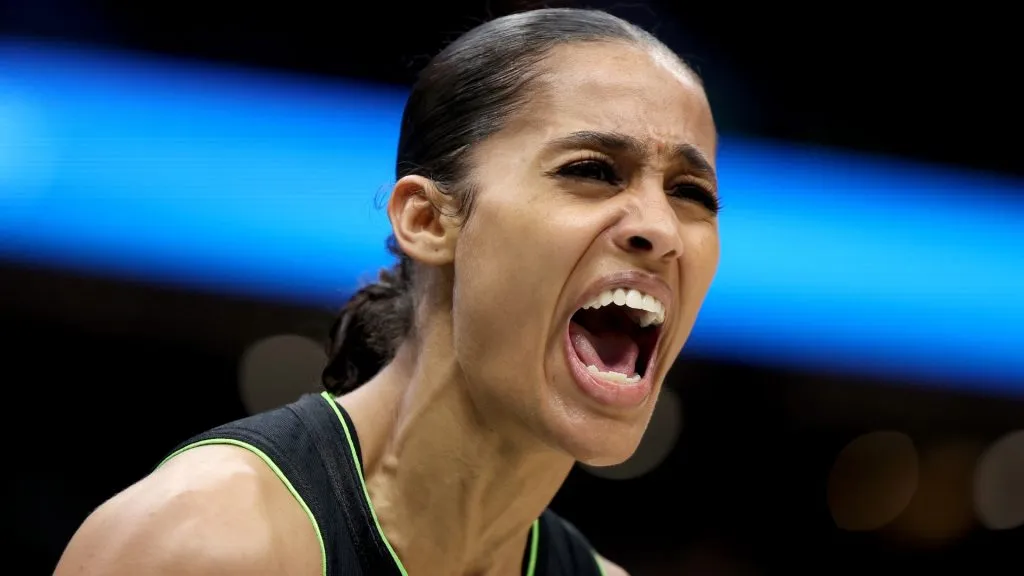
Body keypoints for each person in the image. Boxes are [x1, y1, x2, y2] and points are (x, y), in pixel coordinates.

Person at [54, 7, 720, 576]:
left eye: (691, 193)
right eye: (594, 171)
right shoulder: (204, 546)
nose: (660, 229)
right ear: (427, 221)